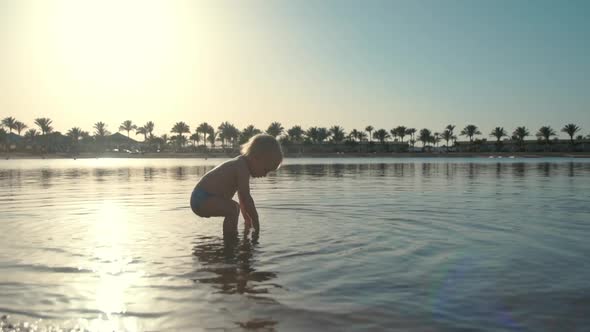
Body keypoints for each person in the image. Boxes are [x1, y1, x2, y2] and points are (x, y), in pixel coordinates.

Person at [190, 134, 283, 235]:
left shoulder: (241, 165)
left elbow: (242, 198)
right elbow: (246, 198)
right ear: (256, 158)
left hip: (201, 198)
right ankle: (230, 240)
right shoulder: (241, 167)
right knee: (233, 209)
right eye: (265, 170)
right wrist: (256, 221)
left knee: (234, 208)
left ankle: (232, 242)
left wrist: (247, 218)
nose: (265, 175)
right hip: (202, 198)